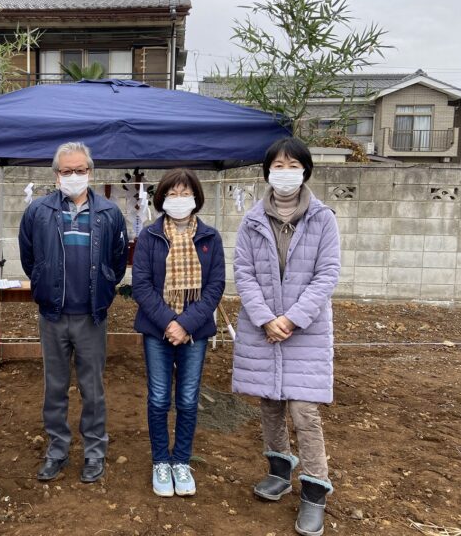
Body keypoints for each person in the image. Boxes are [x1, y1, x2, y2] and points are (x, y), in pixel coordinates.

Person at [233, 137, 340, 536]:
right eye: (277, 165)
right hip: (263, 329)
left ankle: (314, 491)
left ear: (305, 170)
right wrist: (264, 319)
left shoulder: (323, 218)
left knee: (304, 412)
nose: (285, 172)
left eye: (292, 164)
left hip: (304, 330)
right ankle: (279, 471)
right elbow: (243, 273)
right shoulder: (252, 220)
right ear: (267, 172)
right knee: (270, 402)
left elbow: (326, 274)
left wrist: (292, 319)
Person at [18, 142, 128, 484]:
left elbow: (118, 261)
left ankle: (94, 452)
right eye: (67, 171)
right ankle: (57, 450)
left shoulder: (109, 214)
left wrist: (106, 288)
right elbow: (28, 257)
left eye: (80, 170)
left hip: (91, 316)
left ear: (90, 172)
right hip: (52, 316)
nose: (74, 176)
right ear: (56, 176)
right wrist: (42, 282)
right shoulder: (38, 212)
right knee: (55, 387)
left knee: (92, 389)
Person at [131, 168, 225, 497]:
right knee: (158, 398)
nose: (179, 199)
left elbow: (215, 287)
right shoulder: (149, 235)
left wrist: (186, 324)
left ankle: (181, 461)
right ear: (162, 199)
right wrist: (169, 322)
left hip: (195, 331)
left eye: (186, 193)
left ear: (196, 198)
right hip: (158, 329)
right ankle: (161, 461)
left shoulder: (210, 238)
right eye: (173, 193)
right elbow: (141, 286)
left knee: (187, 398)